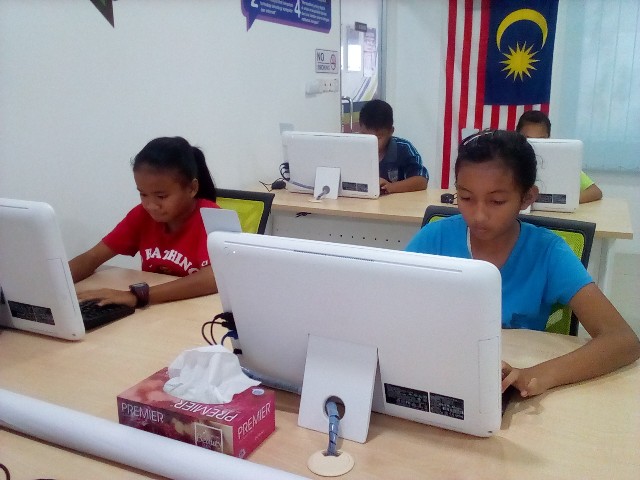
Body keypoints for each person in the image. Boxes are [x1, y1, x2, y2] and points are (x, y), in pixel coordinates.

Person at [406, 130, 639, 398]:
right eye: (466, 198)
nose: (478, 215)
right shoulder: (435, 237)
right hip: (441, 374)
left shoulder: (547, 252)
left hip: (512, 385)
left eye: (496, 201)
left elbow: (623, 340)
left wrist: (539, 374)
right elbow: (389, 306)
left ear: (527, 197)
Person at [69, 136, 219, 308]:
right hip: (155, 310)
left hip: (198, 312)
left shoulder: (211, 217)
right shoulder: (142, 215)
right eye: (143, 194)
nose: (151, 205)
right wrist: (52, 285)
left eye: (161, 196)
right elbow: (93, 256)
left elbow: (214, 277)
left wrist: (138, 296)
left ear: (192, 188)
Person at [516, 110, 603, 203]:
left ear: (548, 138)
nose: (534, 146)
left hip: (549, 211)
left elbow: (595, 192)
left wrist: (563, 202)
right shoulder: (509, 162)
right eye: (528, 139)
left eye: (540, 140)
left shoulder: (561, 162)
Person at [359, 99, 429, 194]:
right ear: (360, 129)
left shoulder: (403, 148)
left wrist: (390, 187)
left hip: (397, 202)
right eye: (366, 136)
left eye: (378, 138)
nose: (372, 143)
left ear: (391, 131)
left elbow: (421, 181)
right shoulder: (353, 147)